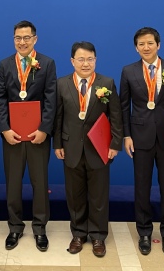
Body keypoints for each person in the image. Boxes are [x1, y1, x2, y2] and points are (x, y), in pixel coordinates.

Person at [119, 27, 164, 257]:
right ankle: (144, 233)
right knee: (142, 187)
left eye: (150, 43)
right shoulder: (128, 71)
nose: (146, 47)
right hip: (140, 137)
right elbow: (123, 107)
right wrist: (126, 135)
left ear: (158, 45)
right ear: (136, 47)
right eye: (141, 44)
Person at [53, 41, 123, 258]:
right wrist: (57, 144)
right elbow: (58, 117)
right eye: (81, 59)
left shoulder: (107, 83)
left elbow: (116, 116)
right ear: (72, 61)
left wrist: (115, 144)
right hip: (70, 147)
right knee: (75, 195)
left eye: (90, 59)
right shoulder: (62, 84)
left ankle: (98, 236)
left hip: (99, 148)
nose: (86, 64)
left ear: (96, 60)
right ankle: (78, 234)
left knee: (98, 195)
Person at [0, 20, 57, 252]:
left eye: (26, 38)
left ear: (35, 39)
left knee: (40, 183)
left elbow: (51, 99)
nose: (22, 42)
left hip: (38, 135)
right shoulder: (4, 65)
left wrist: (44, 129)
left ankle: (40, 228)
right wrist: (4, 129)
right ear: (14, 40)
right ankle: (15, 227)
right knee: (13, 184)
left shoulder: (47, 63)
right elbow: (0, 99)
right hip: (12, 135)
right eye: (18, 38)